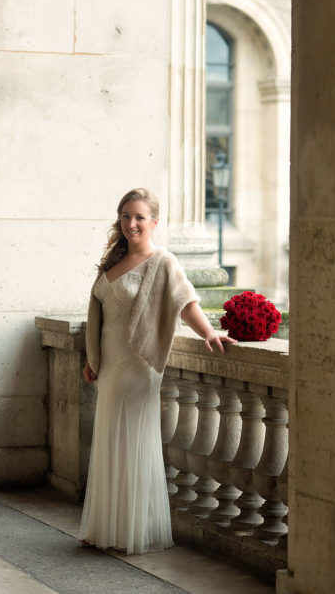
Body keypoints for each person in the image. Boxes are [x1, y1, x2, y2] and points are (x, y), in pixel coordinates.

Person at [79, 188, 235, 554]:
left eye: (139, 217)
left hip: (140, 366)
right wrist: (92, 359)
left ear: (154, 222)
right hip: (110, 367)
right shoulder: (111, 262)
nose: (131, 224)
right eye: (126, 216)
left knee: (133, 444)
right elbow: (98, 317)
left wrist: (210, 332)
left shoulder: (162, 261)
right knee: (108, 442)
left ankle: (130, 530)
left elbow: (186, 302)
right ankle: (104, 526)